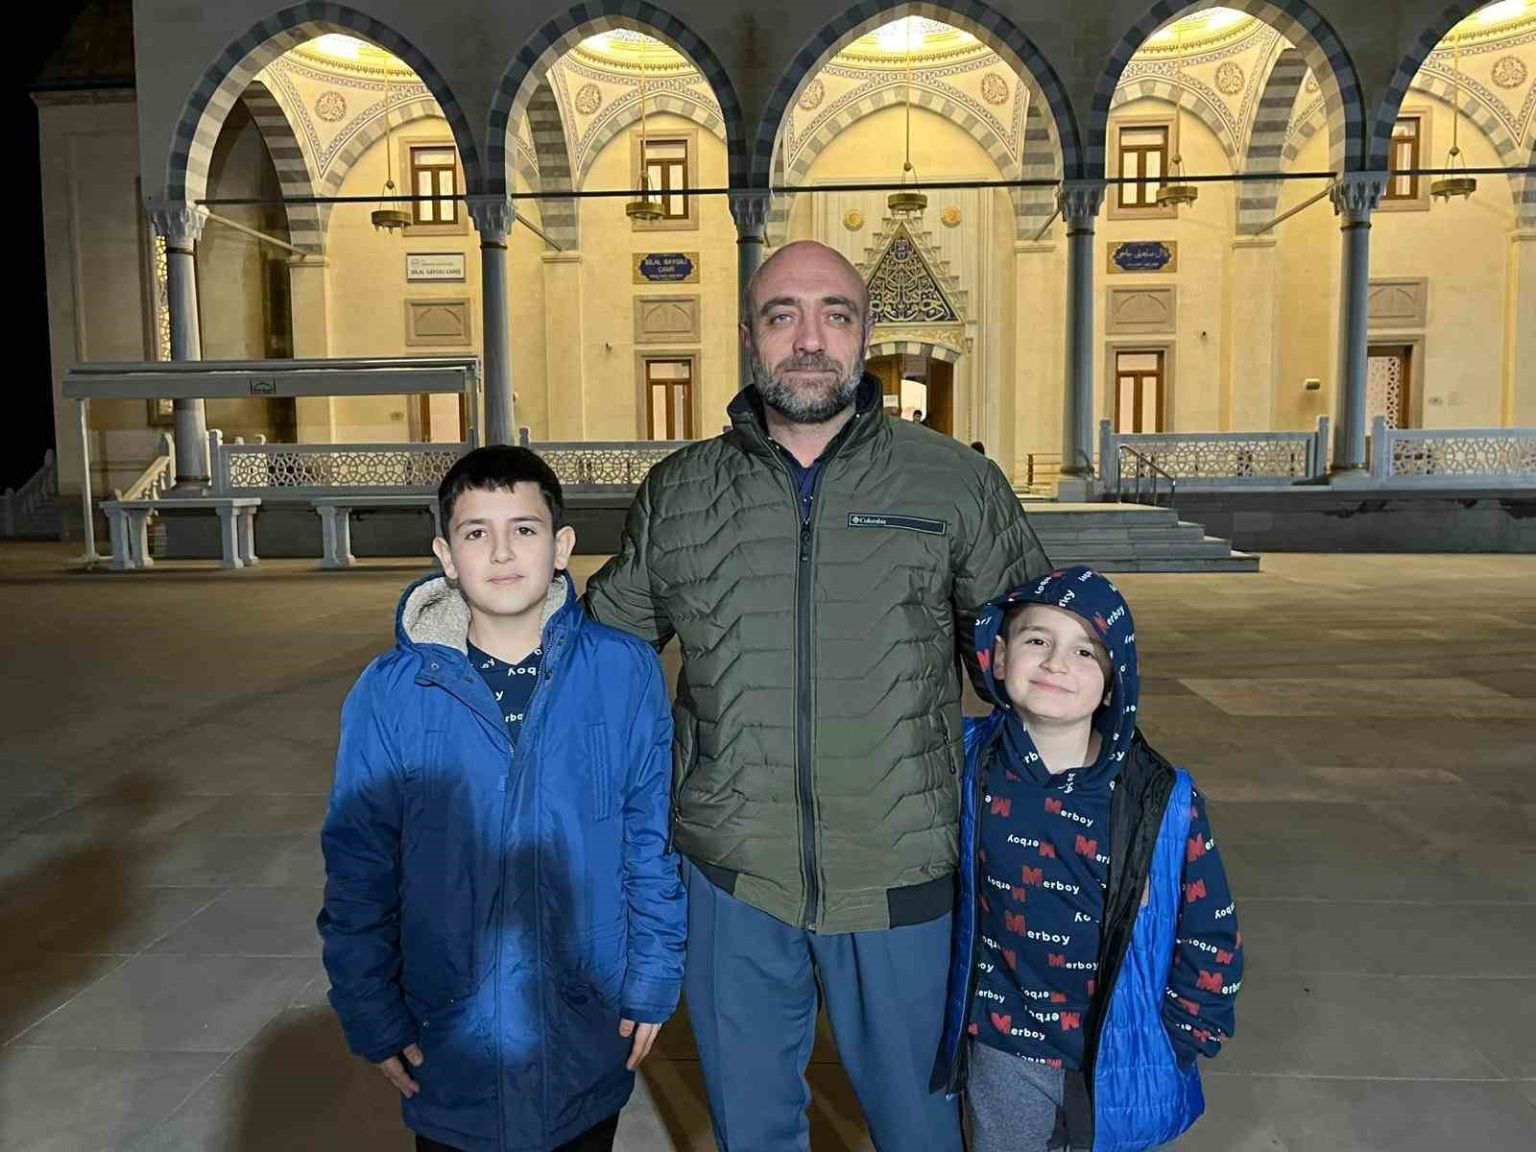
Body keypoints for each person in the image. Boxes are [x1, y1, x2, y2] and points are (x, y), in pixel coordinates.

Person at [584, 239, 1052, 1151]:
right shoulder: (681, 491)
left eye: (834, 315)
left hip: (903, 875)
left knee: (924, 1132)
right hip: (733, 878)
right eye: (782, 316)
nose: (809, 340)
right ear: (748, 337)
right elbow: (599, 654)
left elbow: (1034, 662)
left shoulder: (953, 482)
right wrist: (467, 625)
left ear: (864, 334)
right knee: (753, 1131)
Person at [318, 446, 685, 1152]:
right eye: (475, 532)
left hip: (584, 1024)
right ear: (446, 556)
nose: (502, 551)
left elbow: (649, 840)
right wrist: (370, 1008)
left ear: (561, 546)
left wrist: (654, 976)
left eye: (524, 528)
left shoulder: (623, 671)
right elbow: (359, 869)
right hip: (450, 1033)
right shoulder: (392, 693)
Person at [933, 566, 1243, 1151]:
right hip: (1003, 1042)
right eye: (1037, 640)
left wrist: (1188, 1030)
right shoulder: (966, 765)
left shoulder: (1159, 799)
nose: (1056, 663)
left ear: (1111, 684)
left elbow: (1209, 925)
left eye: (1084, 651)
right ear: (998, 657)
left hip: (1115, 1044)